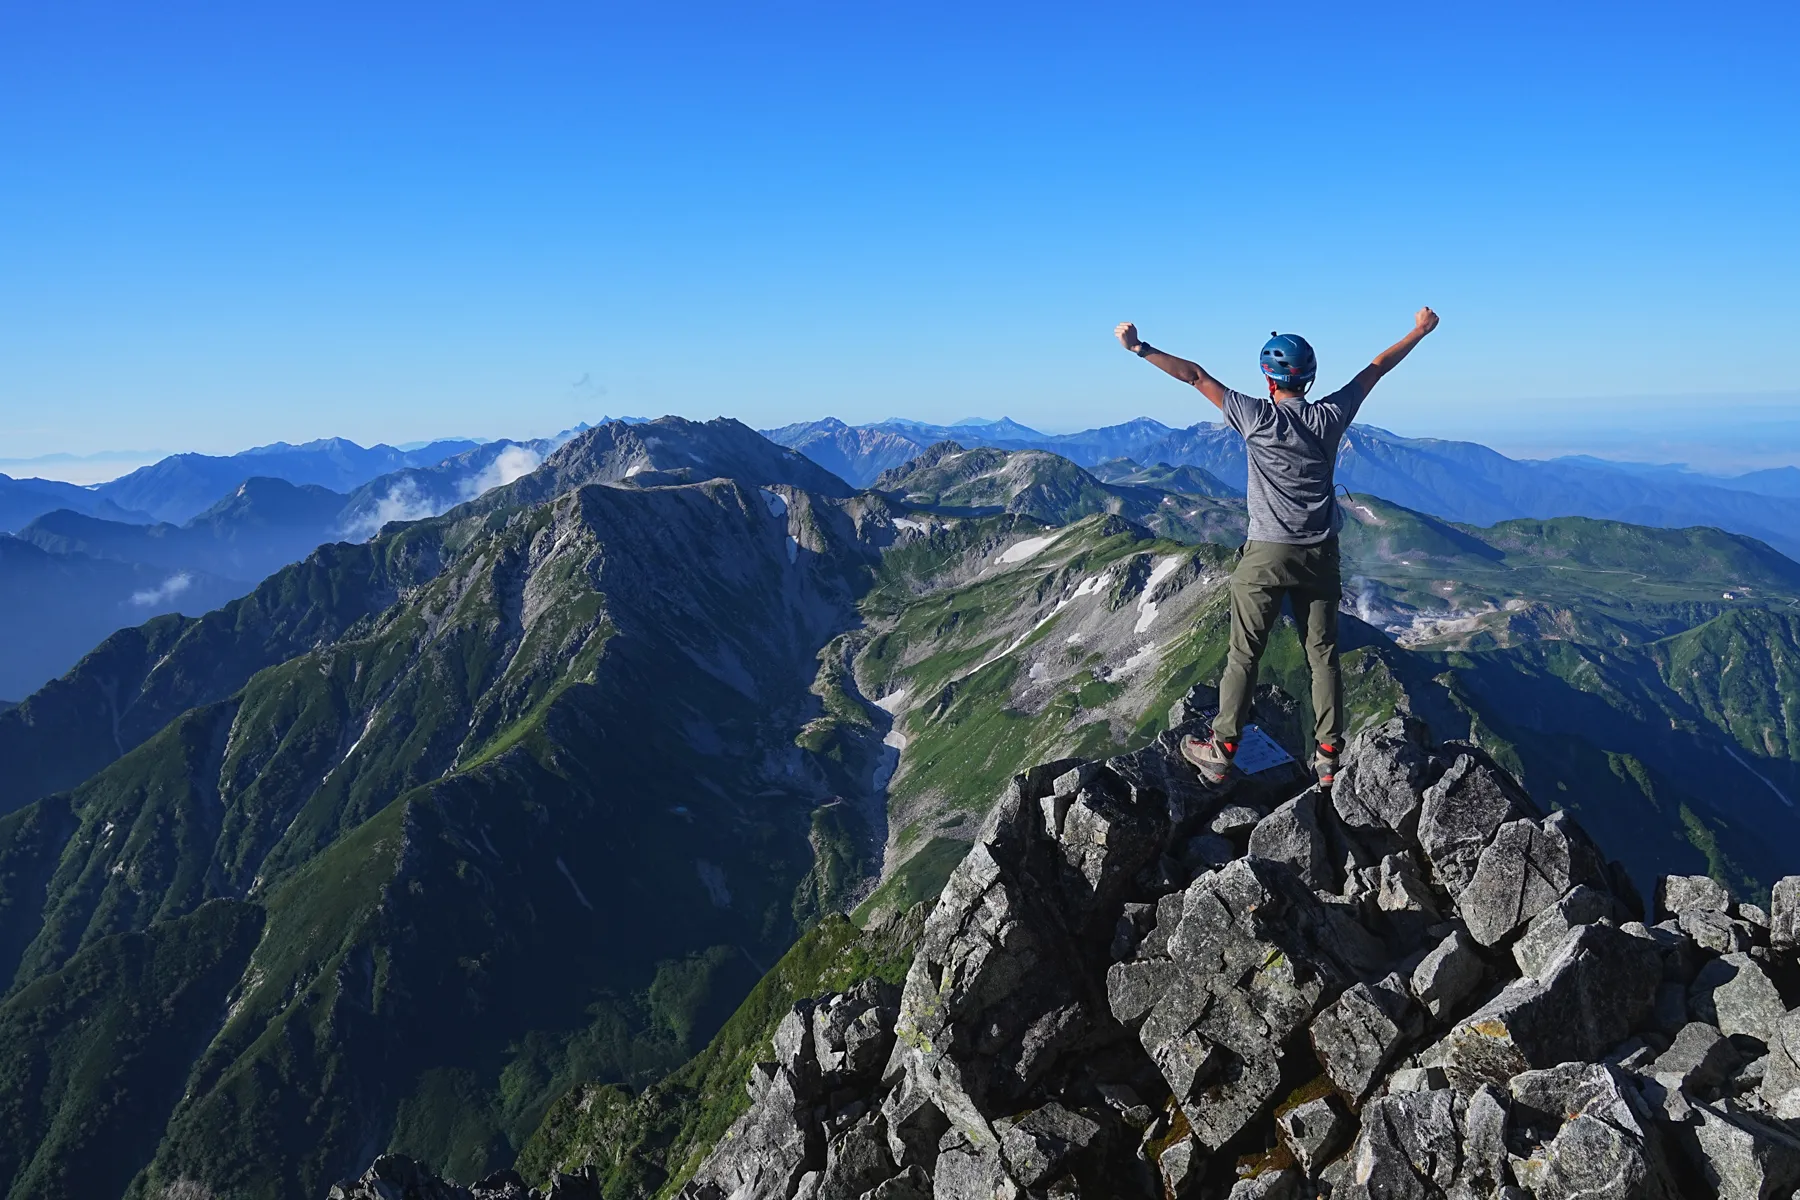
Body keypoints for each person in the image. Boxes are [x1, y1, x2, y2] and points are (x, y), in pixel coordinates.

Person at [1114, 308, 1440, 788]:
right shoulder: (1331, 415)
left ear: (1268, 378)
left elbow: (1195, 376)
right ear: (1309, 376)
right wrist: (1419, 330)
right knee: (1323, 654)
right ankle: (1329, 755)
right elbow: (1376, 368)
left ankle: (1222, 748)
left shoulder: (1254, 416)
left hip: (1266, 553)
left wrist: (1140, 348)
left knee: (1245, 653)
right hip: (1320, 553)